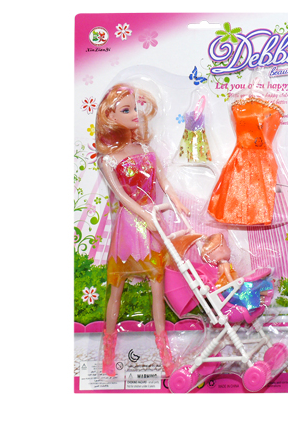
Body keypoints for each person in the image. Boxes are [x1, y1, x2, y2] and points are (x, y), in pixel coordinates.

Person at [95, 84, 189, 376]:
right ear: (111, 116)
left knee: (157, 284)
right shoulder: (109, 159)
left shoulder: (147, 150)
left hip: (153, 221)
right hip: (130, 225)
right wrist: (144, 215)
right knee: (117, 288)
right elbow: (122, 197)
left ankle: (165, 354)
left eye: (136, 108)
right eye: (126, 110)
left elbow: (163, 181)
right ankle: (108, 355)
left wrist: (176, 201)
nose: (135, 113)